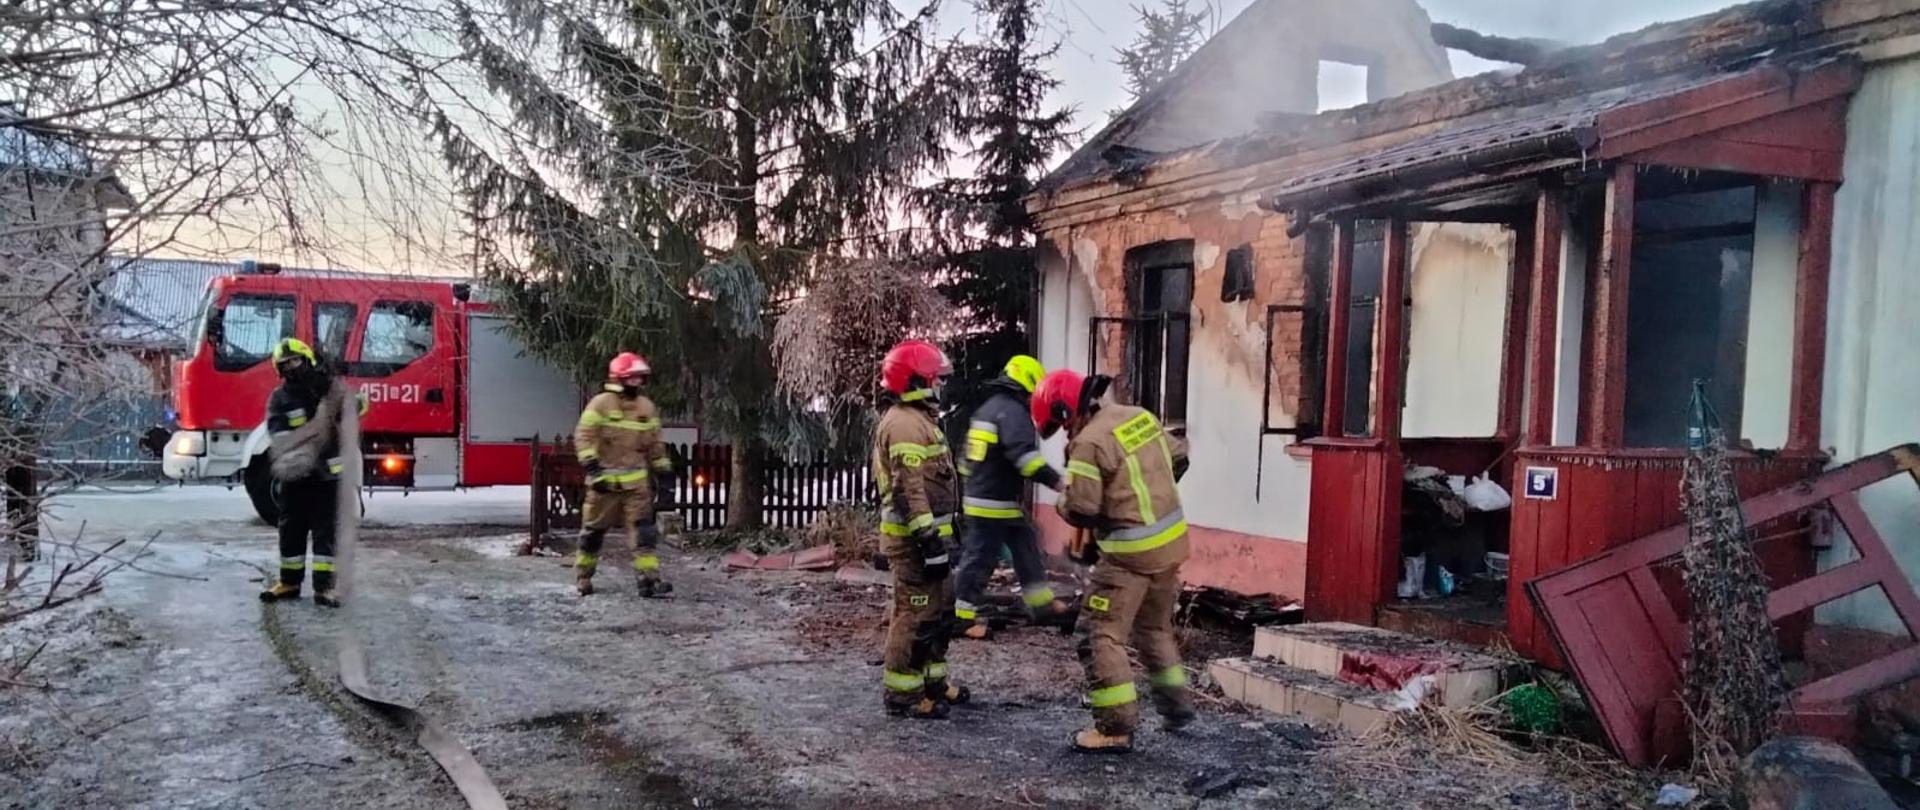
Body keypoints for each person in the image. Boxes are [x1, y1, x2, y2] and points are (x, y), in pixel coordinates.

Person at [1032, 369, 1194, 754]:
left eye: (1060, 423)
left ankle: (1114, 727)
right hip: (1171, 546)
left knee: (1099, 634)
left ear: (1066, 409)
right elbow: (1180, 457)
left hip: (1128, 556)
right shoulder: (1139, 416)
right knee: (1153, 630)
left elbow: (1081, 507)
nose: (1065, 432)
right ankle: (1176, 706)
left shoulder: (1087, 444)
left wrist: (1062, 501)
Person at [872, 340, 970, 719]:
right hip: (914, 544)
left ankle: (932, 682)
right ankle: (903, 694)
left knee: (940, 612)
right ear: (917, 380)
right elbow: (908, 489)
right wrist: (929, 542)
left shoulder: (920, 420)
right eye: (935, 379)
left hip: (932, 540)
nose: (940, 386)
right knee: (914, 615)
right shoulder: (904, 425)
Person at [953, 354, 1074, 640]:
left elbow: (964, 461)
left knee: (1026, 547)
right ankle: (961, 617)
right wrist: (1059, 483)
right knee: (980, 559)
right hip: (994, 503)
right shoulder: (1013, 412)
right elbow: (1025, 459)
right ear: (1029, 384)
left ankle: (1041, 605)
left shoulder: (988, 410)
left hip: (992, 500)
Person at [259, 337, 362, 608]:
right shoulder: (279, 398)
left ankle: (324, 588)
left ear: (306, 359)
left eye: (295, 360)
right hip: (295, 477)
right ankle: (289, 583)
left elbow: (353, 413)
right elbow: (278, 434)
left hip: (328, 478)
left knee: (325, 533)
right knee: (290, 531)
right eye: (285, 364)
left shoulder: (328, 389)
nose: (292, 367)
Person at [574, 351, 676, 597]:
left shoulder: (646, 407)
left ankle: (648, 581)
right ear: (618, 378)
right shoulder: (601, 404)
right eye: (631, 378)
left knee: (644, 535)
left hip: (637, 486)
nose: (636, 382)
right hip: (604, 485)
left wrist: (664, 474)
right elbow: (584, 436)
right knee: (593, 533)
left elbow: (655, 445)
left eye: (639, 378)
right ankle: (584, 578)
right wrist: (593, 469)